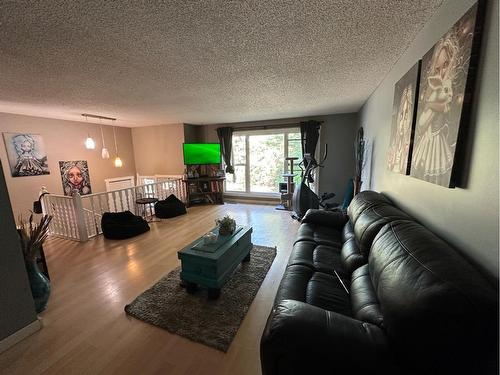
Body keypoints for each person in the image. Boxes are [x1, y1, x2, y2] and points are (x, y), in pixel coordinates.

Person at [411, 36, 459, 181]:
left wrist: (430, 105)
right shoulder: (435, 87)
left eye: (445, 65)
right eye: (438, 68)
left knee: (435, 168)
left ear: (451, 63)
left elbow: (445, 107)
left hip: (437, 136)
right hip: (427, 135)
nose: (441, 72)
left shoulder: (446, 86)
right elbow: (421, 125)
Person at [388, 84, 413, 173]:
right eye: (401, 116)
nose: (402, 123)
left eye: (406, 117)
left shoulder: (408, 149)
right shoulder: (394, 145)